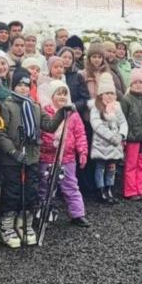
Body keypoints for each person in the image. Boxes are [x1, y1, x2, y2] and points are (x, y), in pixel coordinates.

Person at [0, 68, 70, 248]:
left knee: (31, 191)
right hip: (12, 158)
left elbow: (49, 125)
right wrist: (12, 151)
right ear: (14, 86)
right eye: (20, 85)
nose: (23, 89)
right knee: (12, 192)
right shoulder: (6, 105)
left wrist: (61, 113)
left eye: (26, 85)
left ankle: (24, 223)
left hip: (31, 156)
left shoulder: (35, 107)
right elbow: (1, 133)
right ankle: (6, 226)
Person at [39, 80, 90, 227]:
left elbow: (80, 134)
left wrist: (83, 152)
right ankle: (43, 213)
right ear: (51, 95)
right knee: (45, 187)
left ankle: (77, 214)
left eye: (65, 94)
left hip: (67, 158)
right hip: (48, 156)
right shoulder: (45, 112)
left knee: (71, 186)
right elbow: (43, 132)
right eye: (58, 94)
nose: (62, 97)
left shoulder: (73, 114)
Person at [89, 72, 128, 204]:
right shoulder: (96, 107)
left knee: (111, 167)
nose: (109, 96)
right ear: (101, 94)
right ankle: (100, 190)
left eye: (112, 93)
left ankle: (109, 188)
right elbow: (96, 125)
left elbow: (123, 122)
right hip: (102, 143)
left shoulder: (117, 106)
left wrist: (121, 135)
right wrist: (111, 136)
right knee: (100, 167)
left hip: (115, 144)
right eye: (107, 93)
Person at [120, 67, 142, 200]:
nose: (139, 85)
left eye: (141, 82)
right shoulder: (126, 99)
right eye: (135, 82)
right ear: (131, 84)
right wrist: (123, 136)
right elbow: (122, 119)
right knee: (131, 165)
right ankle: (130, 190)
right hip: (132, 138)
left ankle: (141, 189)